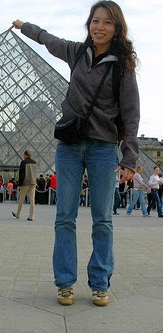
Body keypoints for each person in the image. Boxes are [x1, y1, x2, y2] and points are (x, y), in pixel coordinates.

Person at [12, 0, 139, 306]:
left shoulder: (122, 66)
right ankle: (65, 283)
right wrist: (23, 26)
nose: (100, 27)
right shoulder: (77, 52)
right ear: (89, 24)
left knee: (102, 219)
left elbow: (131, 112)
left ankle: (99, 283)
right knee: (64, 217)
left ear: (117, 27)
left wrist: (130, 158)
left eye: (107, 22)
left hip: (103, 148)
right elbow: (47, 39)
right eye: (95, 21)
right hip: (69, 145)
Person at [12, 150, 37, 221]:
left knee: (21, 199)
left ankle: (18, 214)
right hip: (33, 183)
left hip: (25, 183)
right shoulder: (34, 163)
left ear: (25, 155)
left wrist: (20, 184)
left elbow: (21, 174)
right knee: (32, 200)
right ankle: (31, 216)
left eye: (23, 155)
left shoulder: (23, 162)